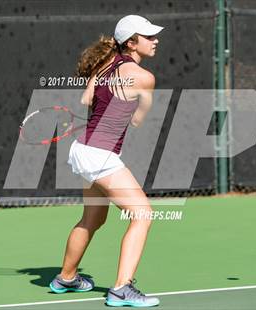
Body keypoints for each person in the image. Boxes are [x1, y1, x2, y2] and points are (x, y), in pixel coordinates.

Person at [49, 15, 163, 307]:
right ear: (131, 42)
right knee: (143, 214)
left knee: (93, 218)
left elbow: (87, 101)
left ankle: (67, 278)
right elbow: (137, 120)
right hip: (100, 155)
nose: (155, 40)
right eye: (148, 36)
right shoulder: (144, 77)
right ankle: (122, 288)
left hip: (85, 149)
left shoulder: (103, 64)